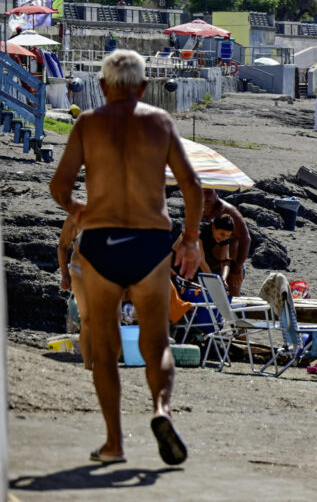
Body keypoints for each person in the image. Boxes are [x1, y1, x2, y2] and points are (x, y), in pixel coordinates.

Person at [49, 50, 203, 466]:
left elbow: (59, 185)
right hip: (150, 242)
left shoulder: (87, 124)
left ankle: (115, 443)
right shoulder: (160, 123)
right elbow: (192, 185)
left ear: (102, 88)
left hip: (101, 243)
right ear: (143, 86)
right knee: (157, 343)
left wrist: (74, 206)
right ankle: (161, 411)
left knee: (104, 345)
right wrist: (190, 239)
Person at [199, 189, 251, 295]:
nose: (206, 196)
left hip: (230, 264)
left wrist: (237, 268)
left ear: (216, 192)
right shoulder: (198, 210)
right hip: (206, 262)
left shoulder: (228, 211)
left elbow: (246, 239)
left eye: (209, 192)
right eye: (203, 192)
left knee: (231, 299)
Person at [56, 214, 90, 368]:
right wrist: (64, 275)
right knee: (87, 318)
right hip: (80, 273)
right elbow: (63, 246)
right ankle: (88, 362)